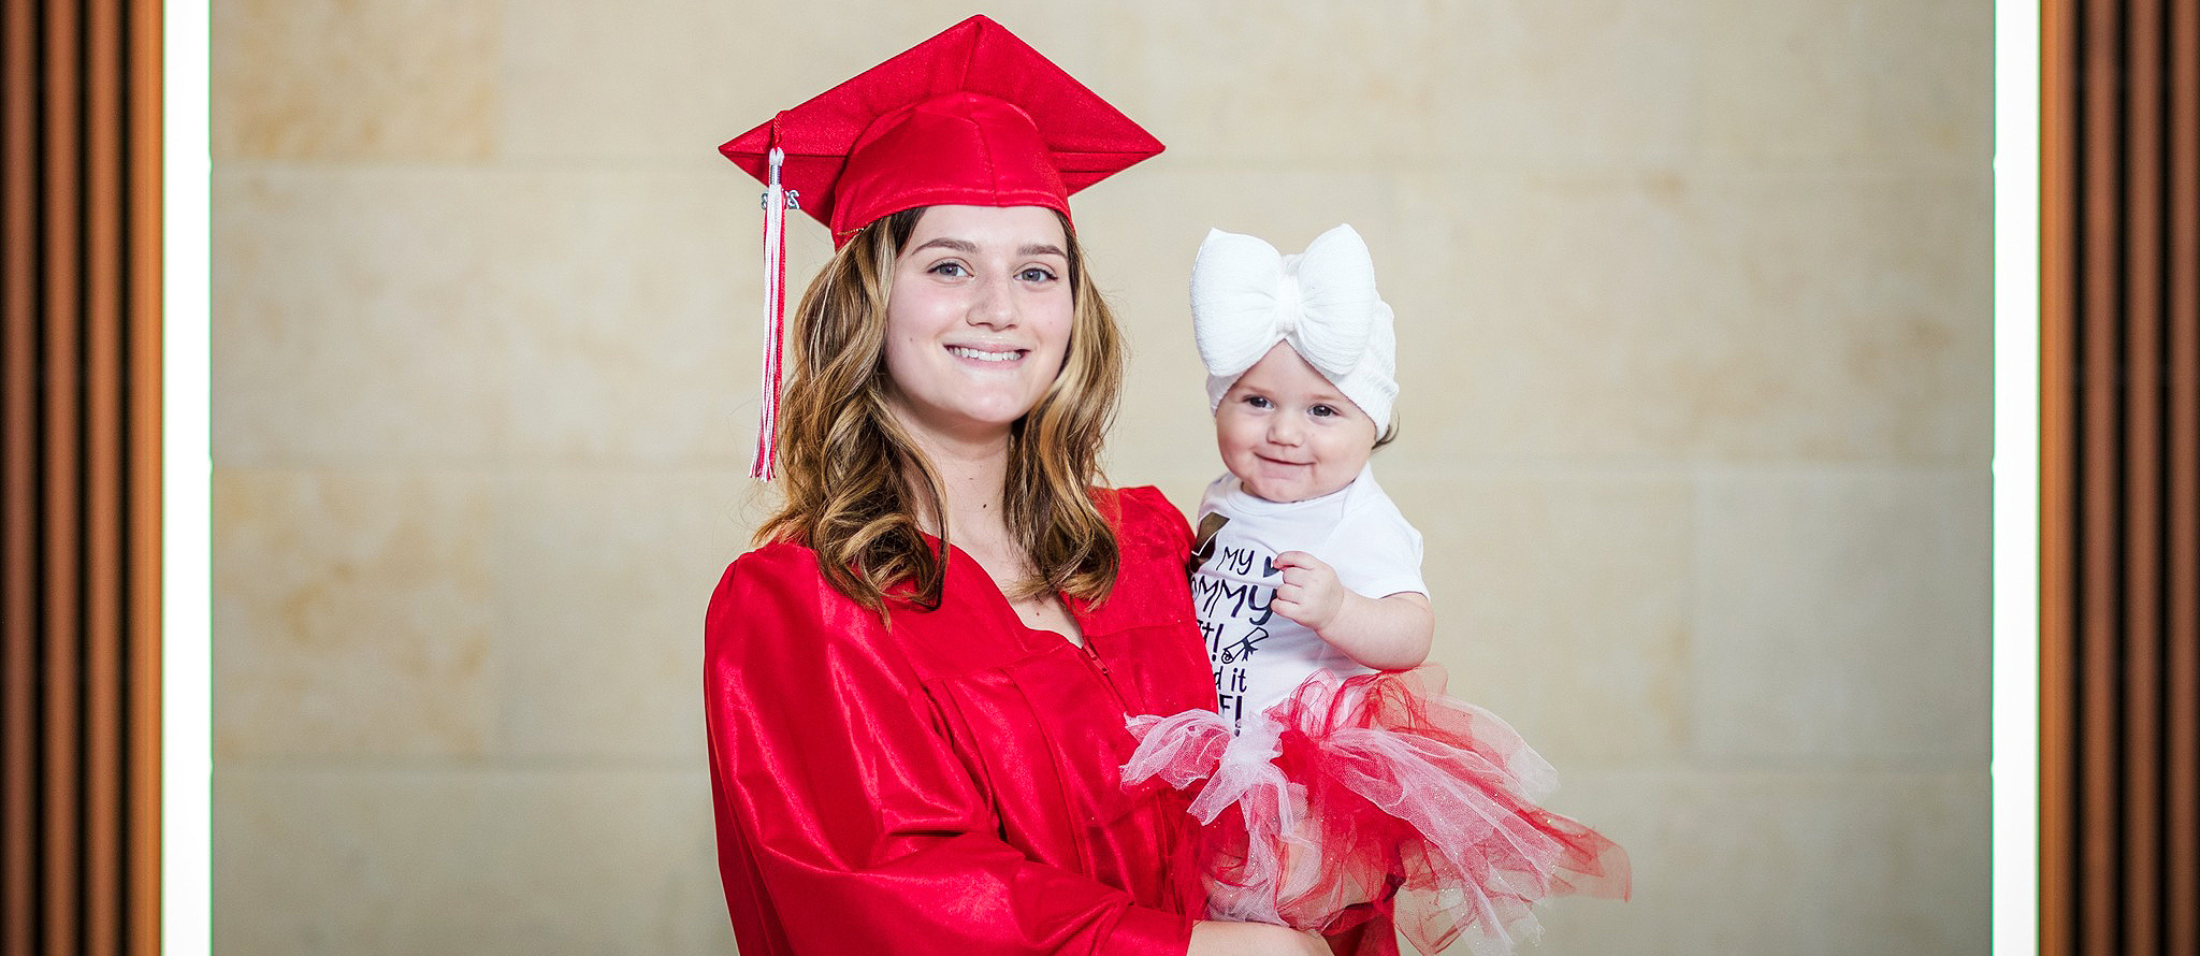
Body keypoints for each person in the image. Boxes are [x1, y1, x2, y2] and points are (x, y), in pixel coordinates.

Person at [703, 17, 1330, 956]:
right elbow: (896, 900)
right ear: (867, 300)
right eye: (949, 266)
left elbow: (1261, 776)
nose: (999, 309)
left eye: (1037, 272)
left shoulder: (1148, 549)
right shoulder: (804, 607)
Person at [1122, 226, 1631, 956]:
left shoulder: (1360, 519)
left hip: (1298, 776)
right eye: (1256, 401)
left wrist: (1340, 611)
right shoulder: (1227, 496)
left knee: (1283, 916)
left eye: (1323, 411)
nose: (1285, 432)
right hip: (1216, 749)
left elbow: (1411, 631)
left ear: (1373, 424)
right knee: (1201, 908)